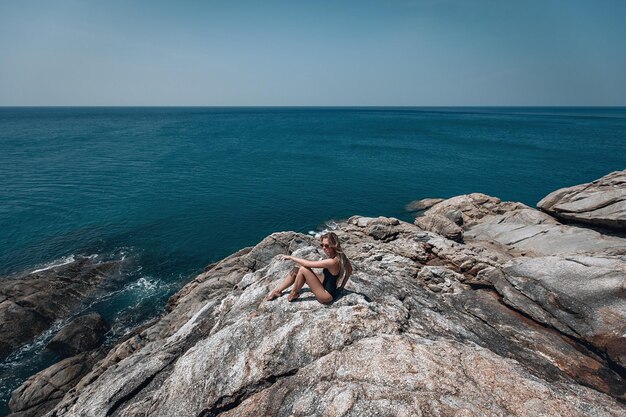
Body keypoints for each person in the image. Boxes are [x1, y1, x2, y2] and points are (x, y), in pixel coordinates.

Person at [265, 232, 352, 304]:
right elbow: (349, 272)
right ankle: (278, 291)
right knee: (298, 267)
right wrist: (341, 287)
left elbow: (308, 264)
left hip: (326, 296)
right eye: (322, 245)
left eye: (327, 246)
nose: (324, 248)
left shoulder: (332, 262)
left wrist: (291, 257)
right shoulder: (341, 256)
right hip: (324, 284)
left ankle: (294, 293)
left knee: (303, 269)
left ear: (334, 245)